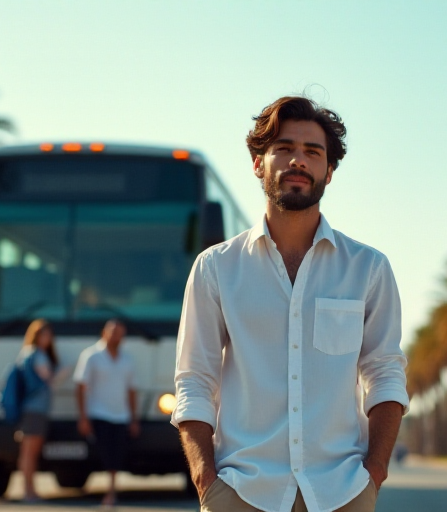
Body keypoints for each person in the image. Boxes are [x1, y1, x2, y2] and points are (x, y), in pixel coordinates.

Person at [173, 96, 408, 512]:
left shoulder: (368, 269)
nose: (297, 161)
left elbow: (385, 375)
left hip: (342, 491)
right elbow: (194, 381)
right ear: (258, 162)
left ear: (329, 171)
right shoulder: (216, 269)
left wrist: (374, 473)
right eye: (284, 149)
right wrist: (206, 481)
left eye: (312, 152)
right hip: (241, 492)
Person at [74, 319, 139, 507]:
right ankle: (106, 491)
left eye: (120, 333)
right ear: (104, 333)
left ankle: (111, 491)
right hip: (99, 413)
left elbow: (132, 390)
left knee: (117, 454)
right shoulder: (91, 356)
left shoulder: (127, 359)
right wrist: (83, 417)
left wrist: (134, 418)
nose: (116, 337)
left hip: (121, 415)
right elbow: (80, 387)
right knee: (105, 453)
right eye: (113, 332)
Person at [16, 319, 68, 503]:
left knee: (29, 452)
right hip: (35, 409)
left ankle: (29, 490)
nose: (47, 339)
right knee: (30, 453)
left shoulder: (27, 354)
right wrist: (64, 372)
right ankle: (28, 491)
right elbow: (49, 381)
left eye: (49, 335)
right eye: (44, 335)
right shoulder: (37, 355)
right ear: (36, 336)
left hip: (32, 409)